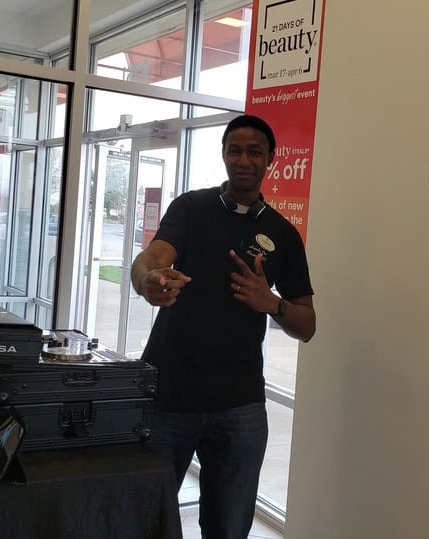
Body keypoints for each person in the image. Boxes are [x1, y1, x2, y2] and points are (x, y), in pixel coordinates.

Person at [131, 114, 316, 539]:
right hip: (168, 395)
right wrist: (149, 282)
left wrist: (271, 303)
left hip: (240, 405)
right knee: (145, 517)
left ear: (271, 158)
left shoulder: (283, 235)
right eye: (235, 150)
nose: (244, 160)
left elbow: (307, 325)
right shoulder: (191, 208)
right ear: (224, 155)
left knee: (229, 526)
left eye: (254, 151)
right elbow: (151, 258)